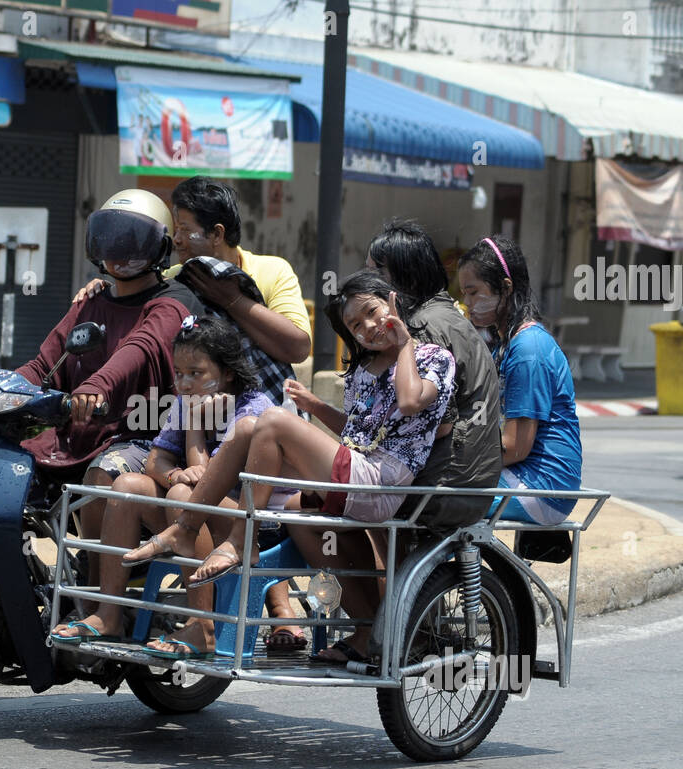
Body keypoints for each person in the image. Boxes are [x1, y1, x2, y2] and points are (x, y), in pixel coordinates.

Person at [125, 270, 456, 663]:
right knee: (259, 444)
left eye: (371, 312)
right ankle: (368, 630)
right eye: (354, 325)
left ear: (393, 301)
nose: (367, 327)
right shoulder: (365, 370)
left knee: (270, 422)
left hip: (385, 481)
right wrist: (315, 407)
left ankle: (233, 538)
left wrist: (403, 345)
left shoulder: (434, 357)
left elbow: (410, 401)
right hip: (357, 476)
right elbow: (359, 430)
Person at [78, 176, 314, 649]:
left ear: (219, 232)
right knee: (124, 483)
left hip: (262, 411)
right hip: (207, 426)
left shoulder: (270, 272)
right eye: (175, 229)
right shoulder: (177, 292)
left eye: (184, 229)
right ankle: (106, 612)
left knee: (233, 487)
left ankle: (254, 614)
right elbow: (138, 290)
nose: (176, 240)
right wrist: (105, 285)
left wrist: (231, 300)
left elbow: (297, 344)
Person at [49, 315, 289, 658]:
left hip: (245, 523)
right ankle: (109, 614)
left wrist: (194, 428)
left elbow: (206, 476)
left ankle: (202, 624)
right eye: (179, 374)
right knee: (128, 485)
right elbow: (156, 461)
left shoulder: (253, 410)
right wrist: (174, 475)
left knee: (182, 495)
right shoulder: (185, 402)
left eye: (196, 373)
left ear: (229, 372)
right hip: (196, 514)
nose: (185, 383)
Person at [14, 189, 197, 576]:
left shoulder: (170, 303)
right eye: (108, 237)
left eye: (130, 240)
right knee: (5, 467)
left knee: (104, 473)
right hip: (77, 434)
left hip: (139, 437)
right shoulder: (90, 301)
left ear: (159, 248)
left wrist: (96, 386)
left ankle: (95, 588)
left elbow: (140, 347)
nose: (116, 250)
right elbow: (47, 362)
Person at [366, 219, 503, 531]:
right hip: (468, 480)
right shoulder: (445, 315)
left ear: (405, 275)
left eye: (377, 273)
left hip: (445, 484)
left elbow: (439, 424)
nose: (368, 283)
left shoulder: (424, 327)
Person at [458, 235, 582, 524]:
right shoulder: (508, 343)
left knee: (430, 497)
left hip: (541, 486)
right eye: (464, 294)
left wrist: (456, 463)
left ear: (505, 288)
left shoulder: (528, 350)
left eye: (474, 292)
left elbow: (515, 446)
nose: (467, 304)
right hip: (526, 477)